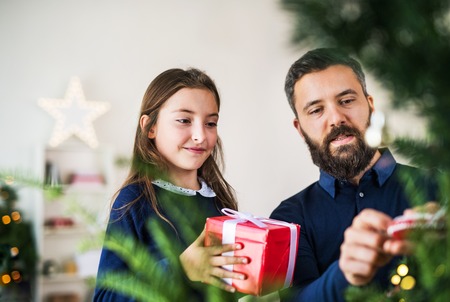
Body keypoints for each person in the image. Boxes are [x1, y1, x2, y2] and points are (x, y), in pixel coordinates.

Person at [270, 48, 437, 301]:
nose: (337, 118)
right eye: (316, 110)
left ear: (370, 106)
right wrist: (345, 273)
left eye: (346, 100)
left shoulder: (436, 187)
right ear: (300, 129)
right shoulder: (289, 219)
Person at [94, 68, 248, 301]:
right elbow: (105, 296)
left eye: (211, 123)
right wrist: (181, 269)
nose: (200, 136)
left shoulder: (221, 201)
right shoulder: (134, 200)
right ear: (150, 127)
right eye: (184, 120)